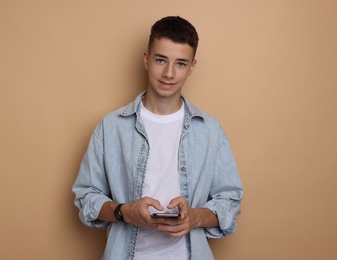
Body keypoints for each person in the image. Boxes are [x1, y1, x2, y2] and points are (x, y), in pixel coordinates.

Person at [72, 16, 243, 260]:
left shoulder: (210, 130)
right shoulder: (111, 128)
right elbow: (86, 196)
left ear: (192, 67)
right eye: (161, 60)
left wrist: (194, 217)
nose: (169, 73)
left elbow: (230, 200)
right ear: (146, 59)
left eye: (181, 64)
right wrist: (125, 212)